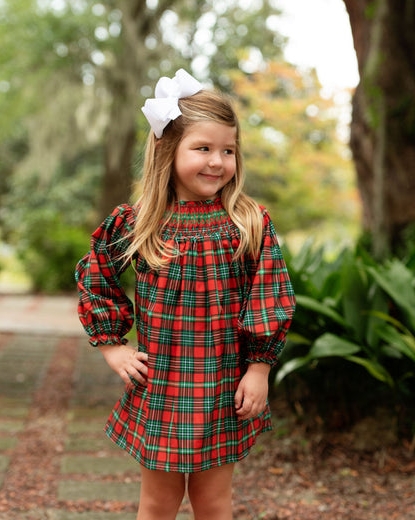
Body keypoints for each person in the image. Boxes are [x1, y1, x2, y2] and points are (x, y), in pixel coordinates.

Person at [75, 68, 295, 520]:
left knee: (214, 502)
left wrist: (259, 369)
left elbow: (269, 295)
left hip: (221, 387)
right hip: (162, 386)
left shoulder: (248, 222)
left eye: (228, 151)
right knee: (158, 503)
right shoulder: (138, 224)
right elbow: (96, 274)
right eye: (203, 148)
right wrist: (112, 347)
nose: (217, 162)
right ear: (167, 151)